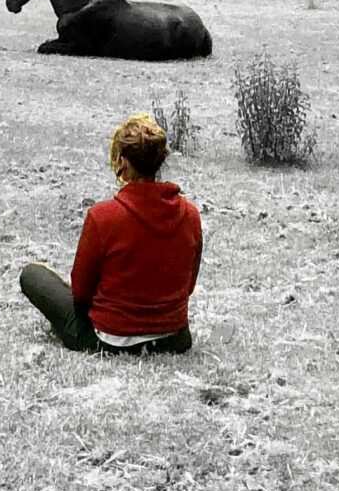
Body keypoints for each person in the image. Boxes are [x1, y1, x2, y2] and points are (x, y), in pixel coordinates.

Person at [19, 113, 202, 355]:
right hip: (173, 338)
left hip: (109, 340)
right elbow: (188, 286)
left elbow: (81, 294)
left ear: (123, 163)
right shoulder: (190, 214)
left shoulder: (103, 216)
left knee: (32, 275)